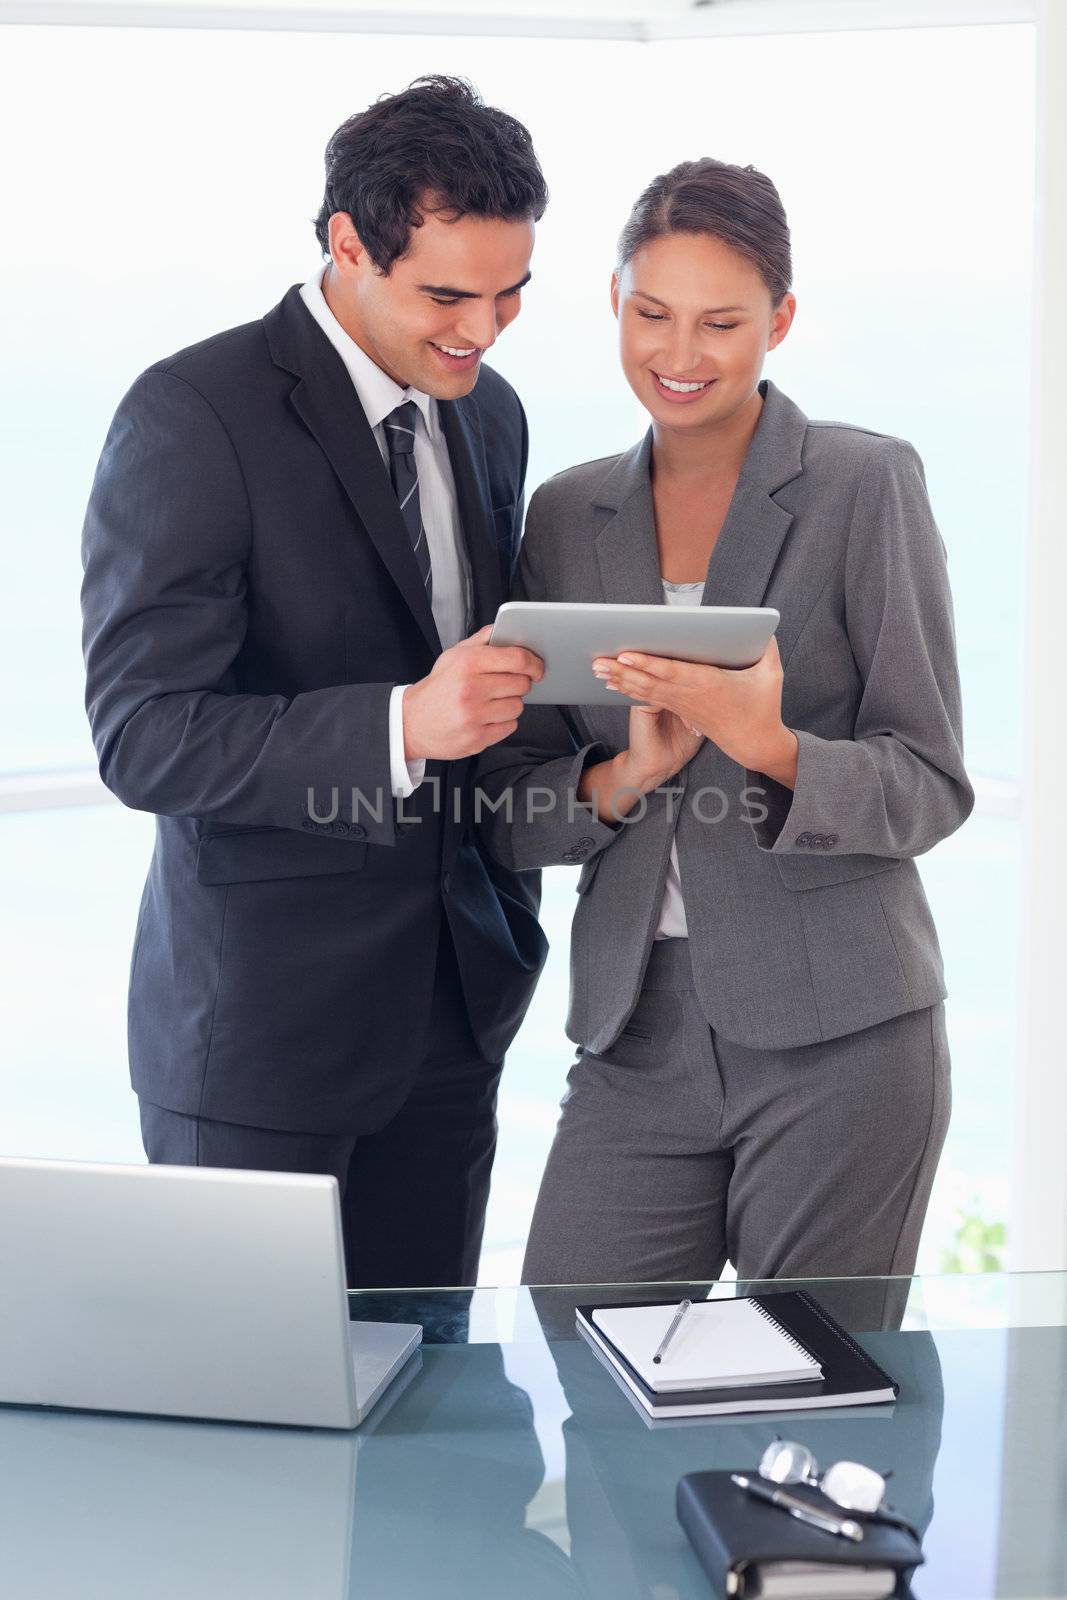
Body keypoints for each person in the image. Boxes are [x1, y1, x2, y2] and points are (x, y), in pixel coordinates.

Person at [80, 75, 549, 1289]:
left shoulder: (487, 415)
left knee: (429, 1423)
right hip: (259, 1045)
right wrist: (404, 722)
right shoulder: (195, 412)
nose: (482, 330)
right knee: (241, 1442)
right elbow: (145, 735)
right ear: (347, 245)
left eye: (509, 295)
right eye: (448, 295)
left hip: (453, 1018)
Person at [476, 157, 975, 1286]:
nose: (679, 355)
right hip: (631, 1029)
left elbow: (930, 782)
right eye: (650, 314)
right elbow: (510, 805)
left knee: (816, 1399)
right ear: (612, 301)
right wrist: (625, 775)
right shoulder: (564, 511)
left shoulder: (864, 484)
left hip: (841, 1033)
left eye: (720, 322)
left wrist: (768, 745)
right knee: (587, 1362)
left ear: (780, 320)